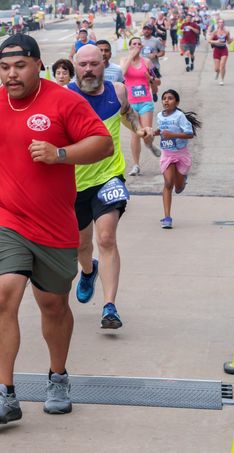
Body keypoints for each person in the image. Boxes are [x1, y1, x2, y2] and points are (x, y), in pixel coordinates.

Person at [0, 34, 113, 425]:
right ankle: (4, 393)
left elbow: (103, 144)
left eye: (20, 66)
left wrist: (60, 154)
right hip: (4, 216)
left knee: (53, 306)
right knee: (2, 295)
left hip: (54, 224)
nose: (11, 75)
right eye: (4, 68)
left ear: (38, 65)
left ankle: (58, 377)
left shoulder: (64, 101)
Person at [69, 44, 154, 330]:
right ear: (75, 65)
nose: (88, 69)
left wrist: (139, 129)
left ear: (103, 64)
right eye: (83, 64)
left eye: (94, 64)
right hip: (75, 183)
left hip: (109, 176)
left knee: (106, 238)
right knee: (82, 244)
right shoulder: (64, 95)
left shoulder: (117, 91)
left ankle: (109, 307)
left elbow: (127, 113)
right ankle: (88, 270)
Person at [147, 89, 201, 229]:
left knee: (178, 187)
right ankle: (167, 218)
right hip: (167, 154)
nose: (166, 100)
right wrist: (154, 132)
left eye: (170, 98)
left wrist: (172, 135)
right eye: (164, 98)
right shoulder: (160, 115)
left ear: (177, 102)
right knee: (168, 183)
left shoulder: (180, 116)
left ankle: (182, 181)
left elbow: (189, 134)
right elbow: (161, 130)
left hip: (181, 154)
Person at [120, 37, 159, 176]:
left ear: (142, 46)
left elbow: (158, 81)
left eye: (138, 44)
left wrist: (151, 79)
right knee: (135, 134)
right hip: (130, 103)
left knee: (147, 132)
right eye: (133, 44)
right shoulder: (124, 60)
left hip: (145, 101)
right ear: (130, 46)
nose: (136, 46)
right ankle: (136, 165)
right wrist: (131, 56)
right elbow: (122, 73)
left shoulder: (147, 62)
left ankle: (149, 144)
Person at [139, 24, 164, 99]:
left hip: (153, 66)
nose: (146, 31)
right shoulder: (139, 40)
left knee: (153, 83)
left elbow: (162, 52)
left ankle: (154, 92)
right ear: (142, 30)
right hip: (142, 66)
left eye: (148, 29)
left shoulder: (156, 41)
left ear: (151, 31)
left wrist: (156, 55)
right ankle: (145, 98)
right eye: (145, 29)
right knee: (142, 83)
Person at [209, 19, 233, 85]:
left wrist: (231, 40)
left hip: (224, 50)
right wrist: (216, 41)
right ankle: (217, 72)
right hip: (216, 50)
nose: (221, 23)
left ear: (224, 24)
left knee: (222, 66)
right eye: (220, 22)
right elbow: (209, 41)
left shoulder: (227, 32)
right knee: (216, 68)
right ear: (218, 24)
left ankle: (222, 80)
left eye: (222, 22)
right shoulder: (215, 32)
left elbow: (228, 42)